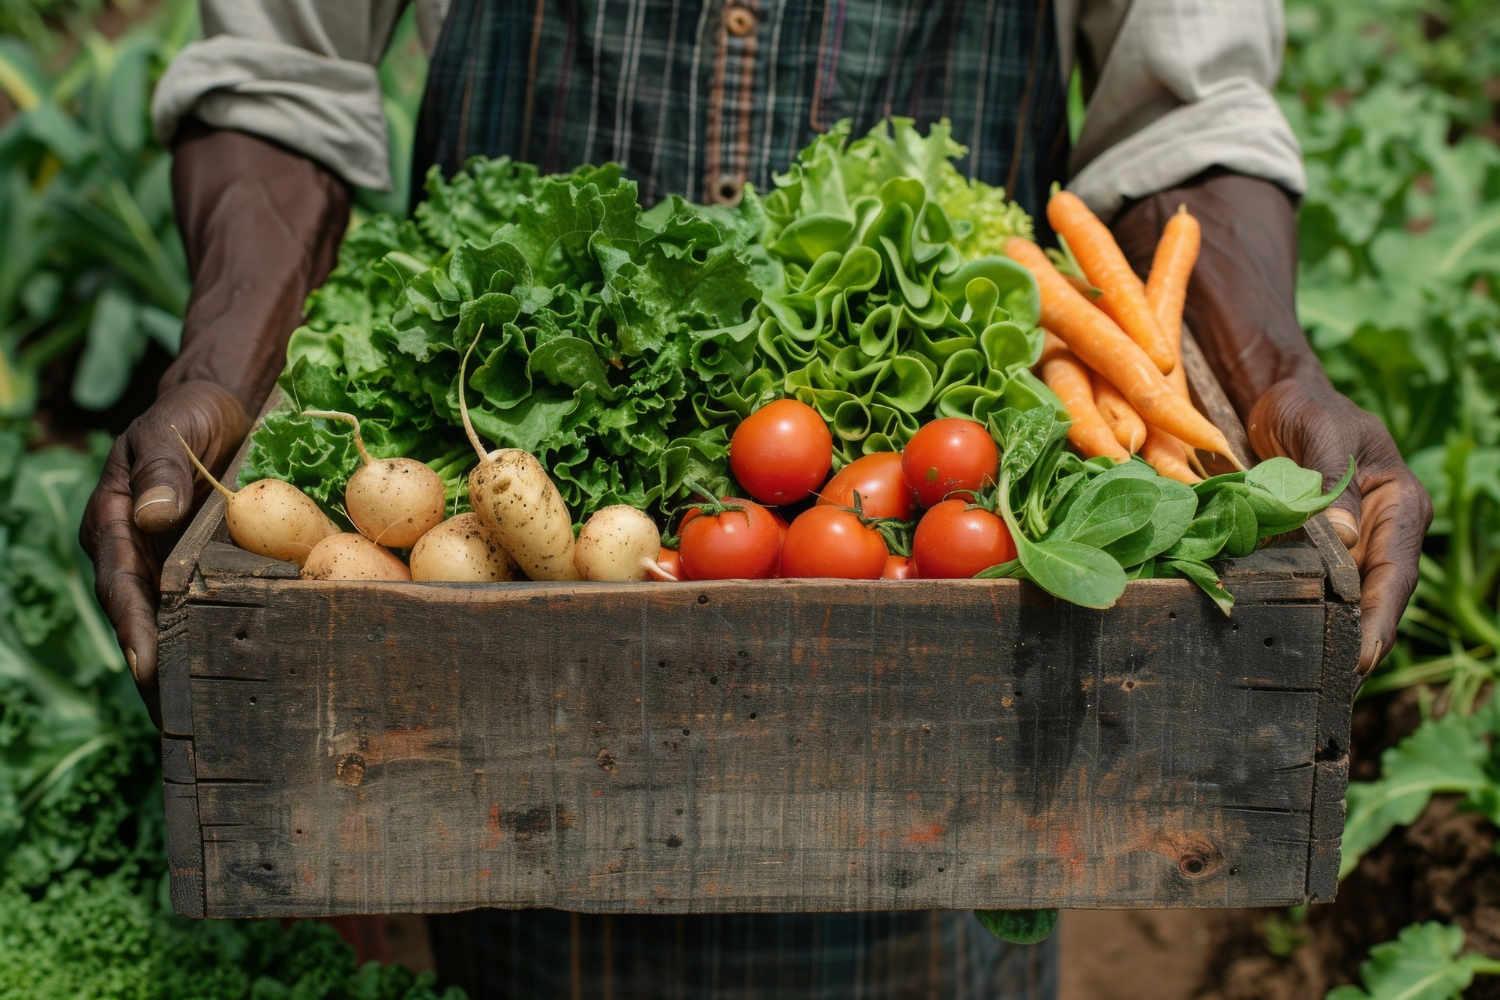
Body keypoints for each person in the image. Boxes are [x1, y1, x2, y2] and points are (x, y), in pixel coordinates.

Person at [82, 0, 1431, 995]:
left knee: (936, 904)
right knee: (523, 888)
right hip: (522, 636)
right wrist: (218, 365)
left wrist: (1269, 378)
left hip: (948, 654)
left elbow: (1187, 114)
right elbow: (277, 71)